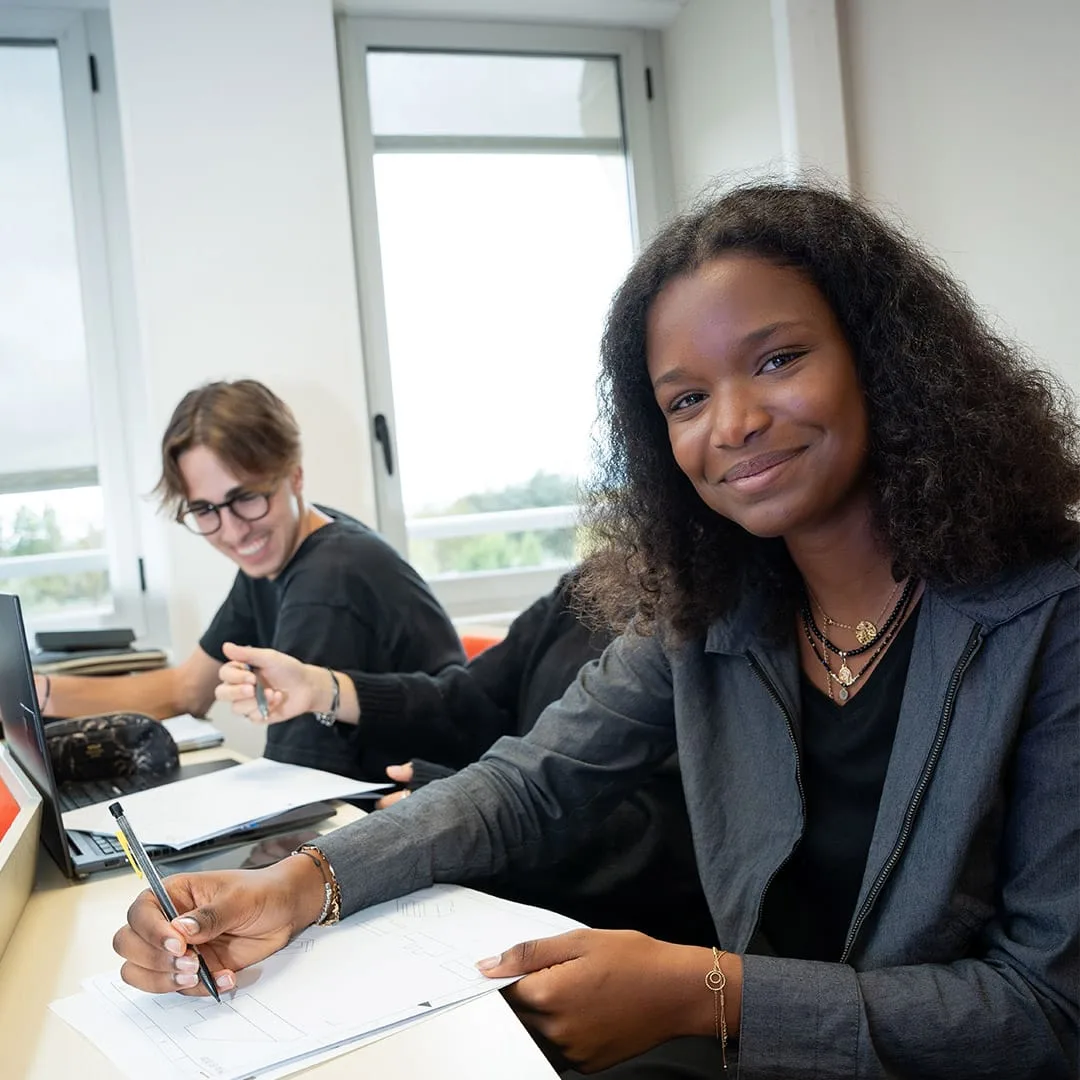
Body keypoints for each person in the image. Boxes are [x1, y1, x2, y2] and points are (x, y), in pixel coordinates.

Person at [112, 183, 1079, 1079]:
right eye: (686, 399)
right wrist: (295, 886)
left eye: (778, 359)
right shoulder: (714, 608)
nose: (733, 423)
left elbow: (1050, 1014)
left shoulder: (1054, 616)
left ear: (885, 358)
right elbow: (526, 785)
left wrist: (709, 994)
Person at [215, 566, 715, 944]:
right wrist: (323, 688)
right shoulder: (591, 584)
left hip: (612, 926)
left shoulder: (700, 619)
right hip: (511, 889)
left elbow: (651, 832)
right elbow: (472, 703)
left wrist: (448, 810)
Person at [39, 379, 464, 780]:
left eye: (245, 498)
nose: (233, 532)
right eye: (205, 510)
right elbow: (188, 690)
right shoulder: (275, 557)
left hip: (425, 806)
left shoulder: (329, 576)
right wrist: (42, 694)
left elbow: (297, 780)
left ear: (294, 475)